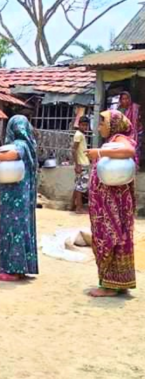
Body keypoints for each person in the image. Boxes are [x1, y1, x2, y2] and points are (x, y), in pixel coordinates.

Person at [84, 110, 137, 297]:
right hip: (106, 205)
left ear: (114, 124)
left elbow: (129, 151)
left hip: (113, 206)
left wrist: (98, 152)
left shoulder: (121, 139)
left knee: (111, 236)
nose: (99, 126)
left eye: (103, 122)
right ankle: (118, 282)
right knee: (113, 236)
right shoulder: (112, 141)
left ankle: (109, 286)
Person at [0, 115, 38, 282]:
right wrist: (1, 179)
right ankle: (21, 268)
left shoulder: (20, 145)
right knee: (21, 227)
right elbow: (19, 172)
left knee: (13, 229)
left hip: (15, 198)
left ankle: (12, 269)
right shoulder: (30, 145)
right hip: (19, 192)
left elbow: (14, 155)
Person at [71, 116, 91, 214]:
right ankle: (79, 207)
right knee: (81, 187)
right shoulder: (79, 135)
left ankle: (72, 205)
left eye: (86, 125)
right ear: (79, 125)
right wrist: (77, 164)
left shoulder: (81, 135)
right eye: (83, 125)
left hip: (83, 163)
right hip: (82, 164)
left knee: (78, 186)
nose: (84, 127)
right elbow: (74, 150)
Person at [118, 91, 142, 166]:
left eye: (127, 98)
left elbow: (139, 119)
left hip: (135, 133)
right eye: (123, 99)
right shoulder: (119, 110)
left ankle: (134, 165)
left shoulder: (135, 107)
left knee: (135, 150)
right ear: (120, 100)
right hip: (123, 133)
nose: (125, 100)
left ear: (130, 99)